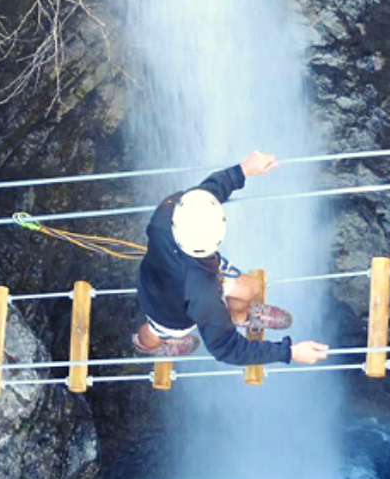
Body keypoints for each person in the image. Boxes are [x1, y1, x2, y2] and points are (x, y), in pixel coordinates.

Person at [134, 150, 330, 365]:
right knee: (157, 331)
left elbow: (207, 193)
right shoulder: (203, 296)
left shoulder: (166, 214)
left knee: (251, 287)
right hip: (170, 310)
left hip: (166, 275)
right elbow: (227, 349)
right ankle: (148, 344)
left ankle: (240, 319)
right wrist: (289, 352)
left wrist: (244, 169)